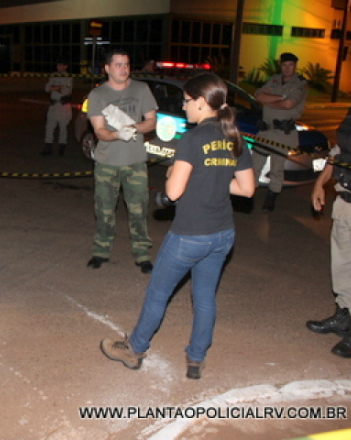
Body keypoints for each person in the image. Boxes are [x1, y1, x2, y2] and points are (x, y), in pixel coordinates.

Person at [100, 73, 255, 379]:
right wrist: (213, 181)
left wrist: (174, 175)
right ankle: (196, 358)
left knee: (158, 293)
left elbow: (172, 193)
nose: (183, 107)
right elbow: (247, 189)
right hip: (222, 234)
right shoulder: (234, 136)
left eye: (186, 101)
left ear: (201, 102)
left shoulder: (193, 138)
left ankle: (135, 349)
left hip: (190, 234)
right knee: (205, 297)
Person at [306, 60, 351, 359]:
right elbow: (338, 151)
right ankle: (343, 314)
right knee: (342, 265)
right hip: (344, 202)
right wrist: (321, 182)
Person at [86, 48, 158, 273]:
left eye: (126, 64)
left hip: (135, 161)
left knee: (138, 209)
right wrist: (117, 134)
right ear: (107, 68)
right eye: (118, 64)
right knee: (105, 209)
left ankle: (142, 253)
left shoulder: (141, 89)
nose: (124, 68)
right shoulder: (97, 95)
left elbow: (151, 121)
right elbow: (99, 131)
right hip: (107, 162)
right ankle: (101, 250)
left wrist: (134, 127)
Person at [252, 52, 308, 211]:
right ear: (280, 66)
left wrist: (270, 101)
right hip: (265, 131)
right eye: (284, 65)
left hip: (283, 133)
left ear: (295, 66)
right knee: (255, 165)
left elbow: (289, 104)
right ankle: (249, 194)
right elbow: (258, 94)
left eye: (290, 65)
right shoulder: (275, 79)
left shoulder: (300, 84)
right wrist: (280, 98)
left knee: (277, 168)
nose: (287, 68)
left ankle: (272, 196)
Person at [40, 58, 73, 157]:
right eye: (58, 65)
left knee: (63, 128)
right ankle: (48, 147)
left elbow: (66, 92)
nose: (58, 67)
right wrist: (59, 87)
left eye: (61, 65)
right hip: (53, 105)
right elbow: (47, 89)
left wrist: (54, 87)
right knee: (49, 127)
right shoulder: (53, 75)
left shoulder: (69, 77)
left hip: (63, 106)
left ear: (65, 66)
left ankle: (61, 149)